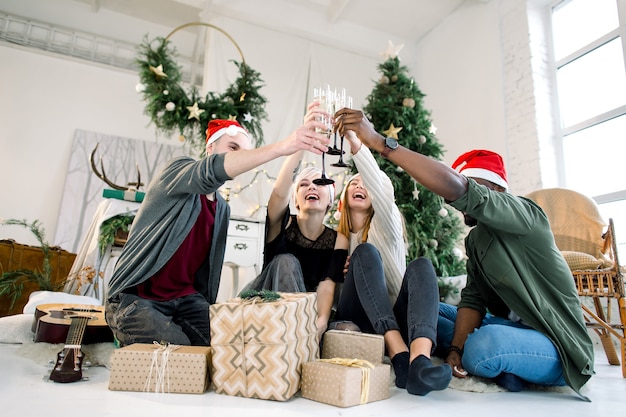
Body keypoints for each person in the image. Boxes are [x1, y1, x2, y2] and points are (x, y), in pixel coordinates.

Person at [334, 108, 595, 401]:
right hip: (506, 325)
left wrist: (381, 142)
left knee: (485, 345)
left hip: (555, 342)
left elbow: (460, 190)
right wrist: (455, 351)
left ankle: (505, 362)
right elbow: (473, 298)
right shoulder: (477, 240)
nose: (463, 203)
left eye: (476, 187)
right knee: (434, 313)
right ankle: (488, 365)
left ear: (496, 190)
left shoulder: (525, 214)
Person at [105, 117, 331, 347]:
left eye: (243, 152)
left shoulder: (222, 208)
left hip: (186, 300)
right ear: (210, 147)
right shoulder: (177, 172)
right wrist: (284, 147)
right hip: (137, 299)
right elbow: (209, 171)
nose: (239, 155)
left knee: (228, 351)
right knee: (179, 355)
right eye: (233, 148)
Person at [330, 130, 452, 396]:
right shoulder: (337, 238)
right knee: (365, 254)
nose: (360, 186)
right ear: (344, 196)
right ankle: (399, 356)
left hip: (395, 315)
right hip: (357, 319)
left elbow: (383, 193)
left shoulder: (388, 224)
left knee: (421, 265)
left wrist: (356, 145)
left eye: (368, 184)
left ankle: (419, 362)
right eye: (354, 182)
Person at [242, 102, 349, 340]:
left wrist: (320, 322)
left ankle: (298, 335)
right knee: (286, 261)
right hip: (265, 303)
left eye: (319, 183)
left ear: (330, 201)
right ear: (297, 200)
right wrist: (303, 141)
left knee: (342, 329)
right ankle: (293, 333)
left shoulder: (337, 239)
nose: (312, 187)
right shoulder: (284, 223)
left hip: (306, 313)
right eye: (303, 184)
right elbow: (280, 192)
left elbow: (327, 286)